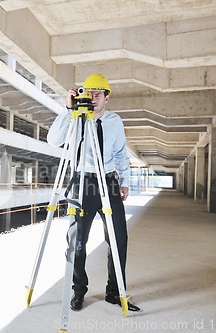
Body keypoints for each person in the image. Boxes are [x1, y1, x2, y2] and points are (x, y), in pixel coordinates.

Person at [47, 73, 140, 312]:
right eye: (89, 93)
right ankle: (78, 291)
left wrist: (125, 181)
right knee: (77, 242)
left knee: (119, 238)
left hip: (108, 182)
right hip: (83, 182)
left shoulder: (114, 121)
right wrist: (68, 110)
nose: (93, 97)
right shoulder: (75, 119)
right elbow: (53, 140)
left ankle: (115, 292)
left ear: (107, 97)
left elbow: (120, 154)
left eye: (98, 93)